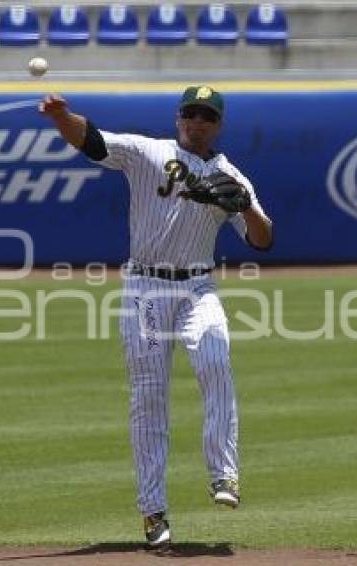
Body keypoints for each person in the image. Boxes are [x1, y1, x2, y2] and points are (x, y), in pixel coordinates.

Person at [39, 85, 273, 549]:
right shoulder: (147, 152)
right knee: (149, 402)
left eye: (206, 115)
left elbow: (263, 240)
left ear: (218, 124)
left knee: (215, 362)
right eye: (190, 113)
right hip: (146, 287)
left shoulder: (230, 175)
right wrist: (62, 116)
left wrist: (243, 204)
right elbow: (94, 141)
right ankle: (153, 512)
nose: (197, 121)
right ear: (177, 116)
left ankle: (224, 476)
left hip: (198, 288)